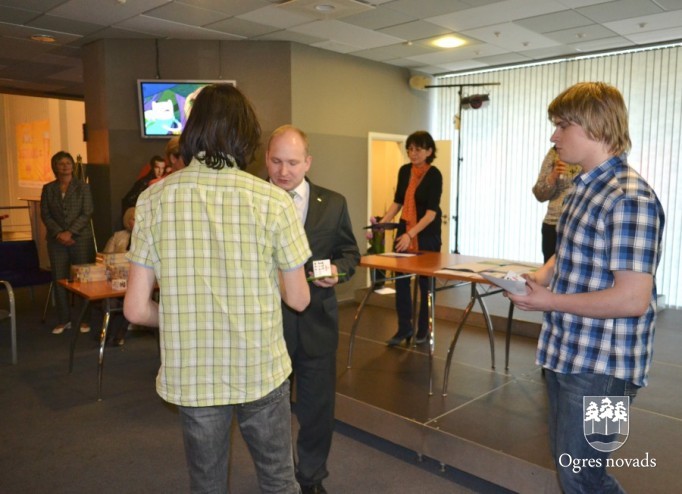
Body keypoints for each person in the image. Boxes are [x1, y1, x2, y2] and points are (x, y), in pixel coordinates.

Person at [123, 84, 311, 494]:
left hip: (194, 371)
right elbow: (299, 299)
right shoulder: (273, 201)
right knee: (279, 482)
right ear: (246, 135)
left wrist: (179, 316)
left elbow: (135, 310)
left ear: (192, 131)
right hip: (260, 367)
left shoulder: (153, 200)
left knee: (206, 486)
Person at [508, 82, 665, 493]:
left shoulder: (630, 198)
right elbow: (569, 252)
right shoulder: (582, 189)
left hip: (607, 370)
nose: (554, 136)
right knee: (573, 469)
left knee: (582, 475)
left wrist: (550, 300)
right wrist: (539, 278)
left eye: (563, 125)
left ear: (595, 126)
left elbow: (633, 299)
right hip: (569, 351)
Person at [266, 125, 360, 494]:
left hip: (317, 324)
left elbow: (349, 253)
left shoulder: (333, 203)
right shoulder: (251, 201)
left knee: (317, 411)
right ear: (266, 159)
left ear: (308, 162)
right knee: (268, 415)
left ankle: (311, 478)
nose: (283, 171)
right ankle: (277, 479)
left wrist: (339, 271)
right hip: (266, 326)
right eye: (276, 161)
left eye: (292, 162)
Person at [378, 131, 442, 346]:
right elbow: (398, 202)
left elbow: (431, 214)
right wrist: (383, 222)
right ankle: (404, 327)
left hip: (426, 234)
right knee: (401, 281)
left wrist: (410, 234)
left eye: (418, 149)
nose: (413, 153)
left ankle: (424, 329)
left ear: (429, 151)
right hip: (405, 229)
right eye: (410, 149)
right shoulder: (404, 171)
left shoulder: (434, 175)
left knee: (425, 284)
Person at [40, 151, 96, 335]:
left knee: (83, 280)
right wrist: (59, 234)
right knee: (60, 280)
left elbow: (87, 212)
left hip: (80, 239)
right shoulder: (48, 189)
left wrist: (70, 232)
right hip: (56, 241)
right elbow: (45, 214)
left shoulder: (83, 187)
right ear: (55, 166)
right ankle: (63, 320)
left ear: (73, 166)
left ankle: (85, 319)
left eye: (68, 163)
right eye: (61, 163)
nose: (65, 166)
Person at [532, 147, 581, 262]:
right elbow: (539, 195)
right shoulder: (555, 152)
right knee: (550, 270)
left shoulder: (592, 151)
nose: (554, 138)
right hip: (553, 223)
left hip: (580, 224)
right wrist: (553, 176)